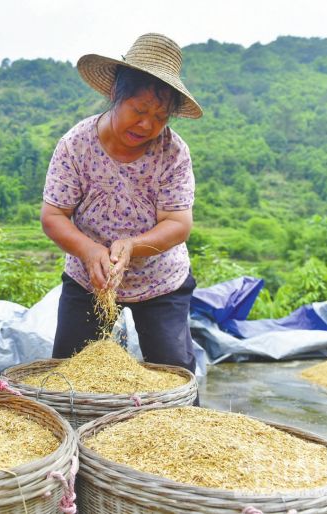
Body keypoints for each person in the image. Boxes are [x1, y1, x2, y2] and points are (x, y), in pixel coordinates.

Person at [41, 33, 203, 377]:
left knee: (174, 376)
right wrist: (88, 251)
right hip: (90, 278)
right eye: (139, 110)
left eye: (160, 117)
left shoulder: (173, 153)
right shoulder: (76, 146)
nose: (147, 124)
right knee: (69, 374)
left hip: (160, 281)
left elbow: (178, 223)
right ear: (116, 94)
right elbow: (54, 216)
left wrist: (132, 246)